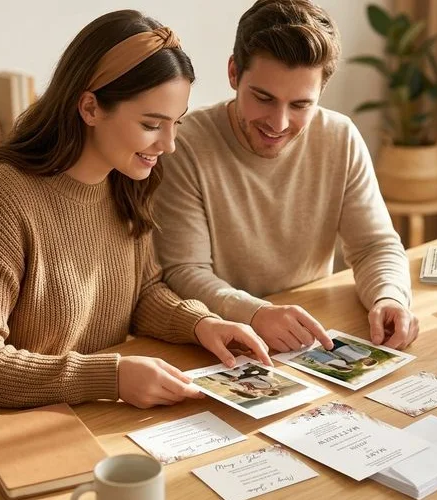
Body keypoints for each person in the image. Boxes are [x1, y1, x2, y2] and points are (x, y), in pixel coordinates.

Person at [0, 10, 271, 410]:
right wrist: (110, 376)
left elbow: (142, 292)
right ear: (90, 108)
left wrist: (202, 324)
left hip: (71, 415)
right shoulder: (0, 198)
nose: (168, 144)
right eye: (152, 124)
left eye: (176, 123)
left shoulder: (124, 181)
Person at [154, 0, 419, 353]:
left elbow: (375, 246)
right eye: (263, 98)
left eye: (300, 105)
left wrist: (390, 297)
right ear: (234, 73)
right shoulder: (185, 143)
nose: (278, 124)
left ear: (321, 93)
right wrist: (256, 312)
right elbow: (184, 271)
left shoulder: (340, 137)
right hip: (223, 341)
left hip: (310, 335)